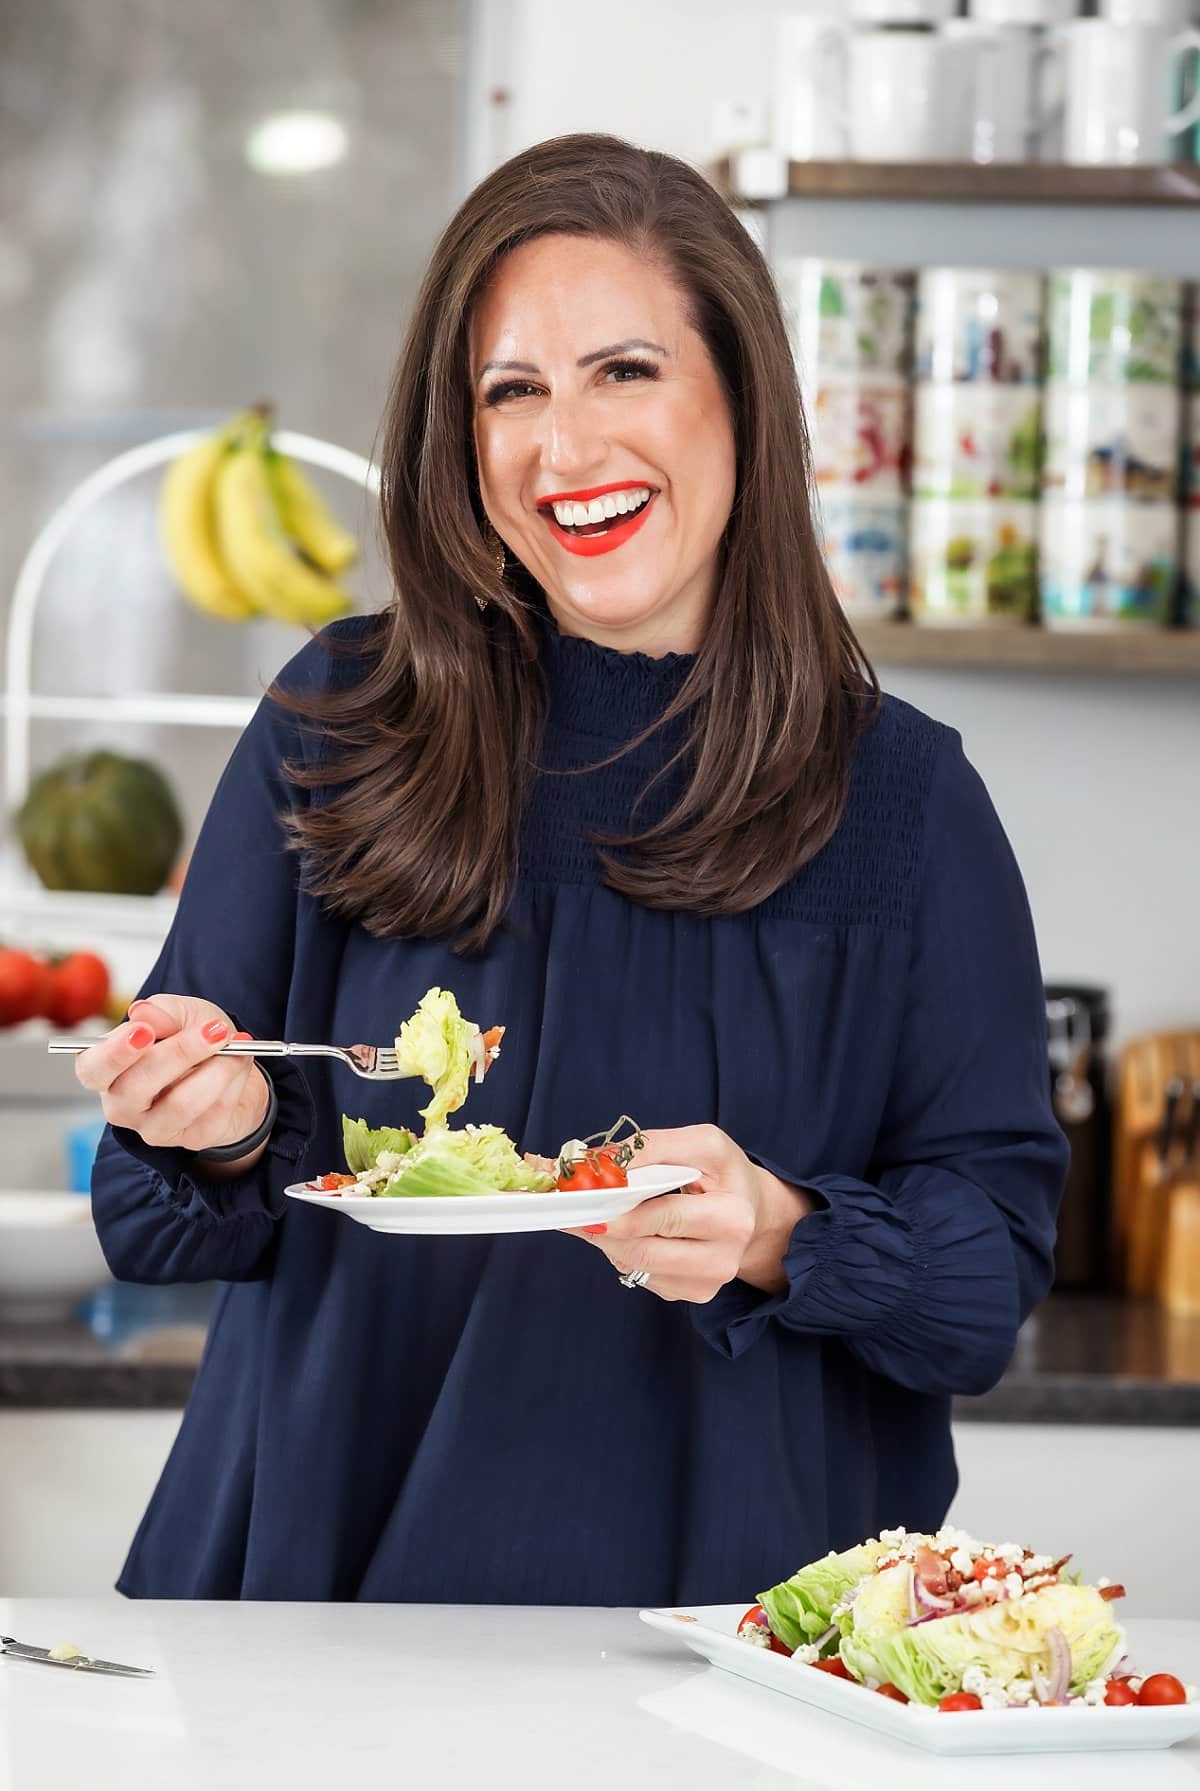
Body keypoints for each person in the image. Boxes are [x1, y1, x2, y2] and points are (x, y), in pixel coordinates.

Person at [80, 134, 1065, 1604]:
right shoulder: (340, 722)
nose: (567, 449)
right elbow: (158, 1214)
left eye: (625, 372)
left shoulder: (903, 799)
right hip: (322, 1617)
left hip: (728, 1649)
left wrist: (785, 1236)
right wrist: (215, 1124)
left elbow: (985, 1283)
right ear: (460, 439)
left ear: (742, 397)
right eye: (512, 392)